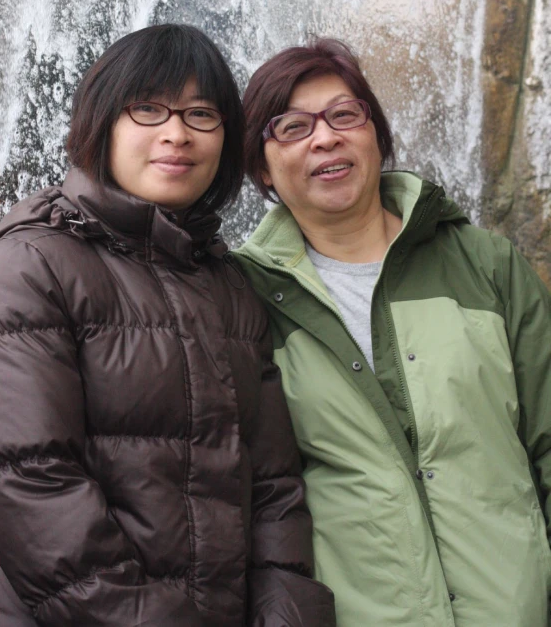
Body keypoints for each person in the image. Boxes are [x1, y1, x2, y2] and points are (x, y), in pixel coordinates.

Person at [0, 24, 336, 627]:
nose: (176, 133)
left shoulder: (228, 284)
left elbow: (275, 487)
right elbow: (30, 479)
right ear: (102, 122)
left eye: (202, 114)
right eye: (148, 108)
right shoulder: (33, 262)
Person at [235, 37, 551, 627]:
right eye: (292, 127)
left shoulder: (486, 264)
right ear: (260, 165)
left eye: (344, 115)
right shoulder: (242, 297)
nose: (325, 137)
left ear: (376, 133)